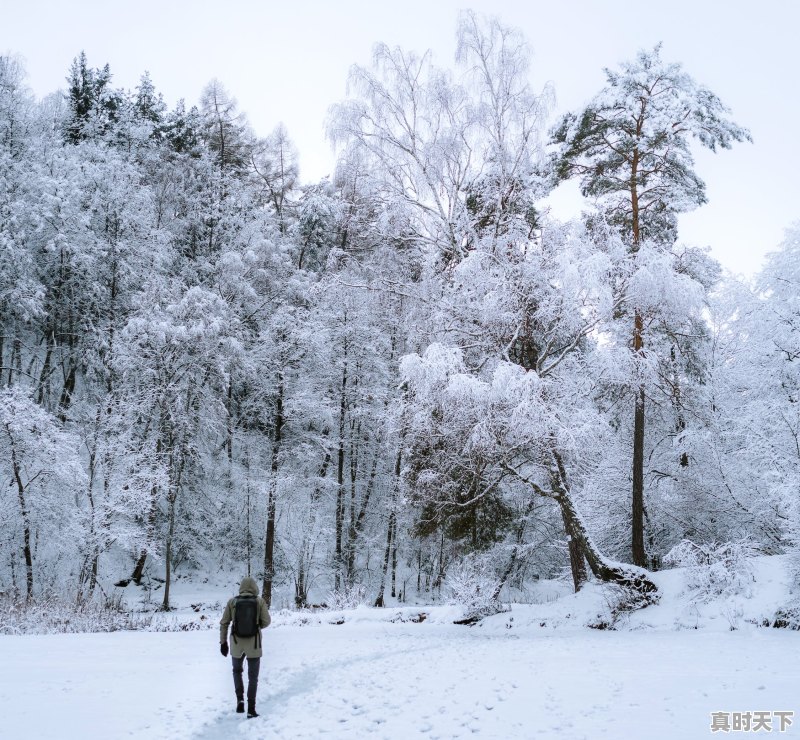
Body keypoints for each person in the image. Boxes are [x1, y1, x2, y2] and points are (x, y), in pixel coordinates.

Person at [219, 576, 271, 718]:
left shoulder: (232, 602)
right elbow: (267, 621)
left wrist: (223, 642)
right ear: (254, 587)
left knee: (237, 671)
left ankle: (240, 700)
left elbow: (224, 623)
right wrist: (257, 625)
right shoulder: (259, 601)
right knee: (253, 677)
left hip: (236, 643)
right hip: (254, 644)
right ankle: (251, 709)